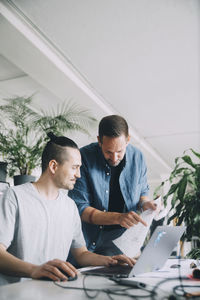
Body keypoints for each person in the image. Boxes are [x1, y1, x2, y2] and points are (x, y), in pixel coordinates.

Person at [0, 132, 134, 286]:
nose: (78, 175)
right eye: (74, 168)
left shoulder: (70, 206)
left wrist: (110, 261)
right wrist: (34, 270)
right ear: (53, 166)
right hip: (15, 292)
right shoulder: (14, 196)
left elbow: (81, 254)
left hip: (53, 292)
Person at [68, 115, 157, 256]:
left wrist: (145, 204)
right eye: (108, 152)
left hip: (122, 241)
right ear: (99, 141)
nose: (114, 158)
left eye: (119, 151)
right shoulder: (84, 157)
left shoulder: (138, 157)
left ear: (128, 140)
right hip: (87, 241)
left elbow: (143, 192)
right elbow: (79, 209)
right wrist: (118, 218)